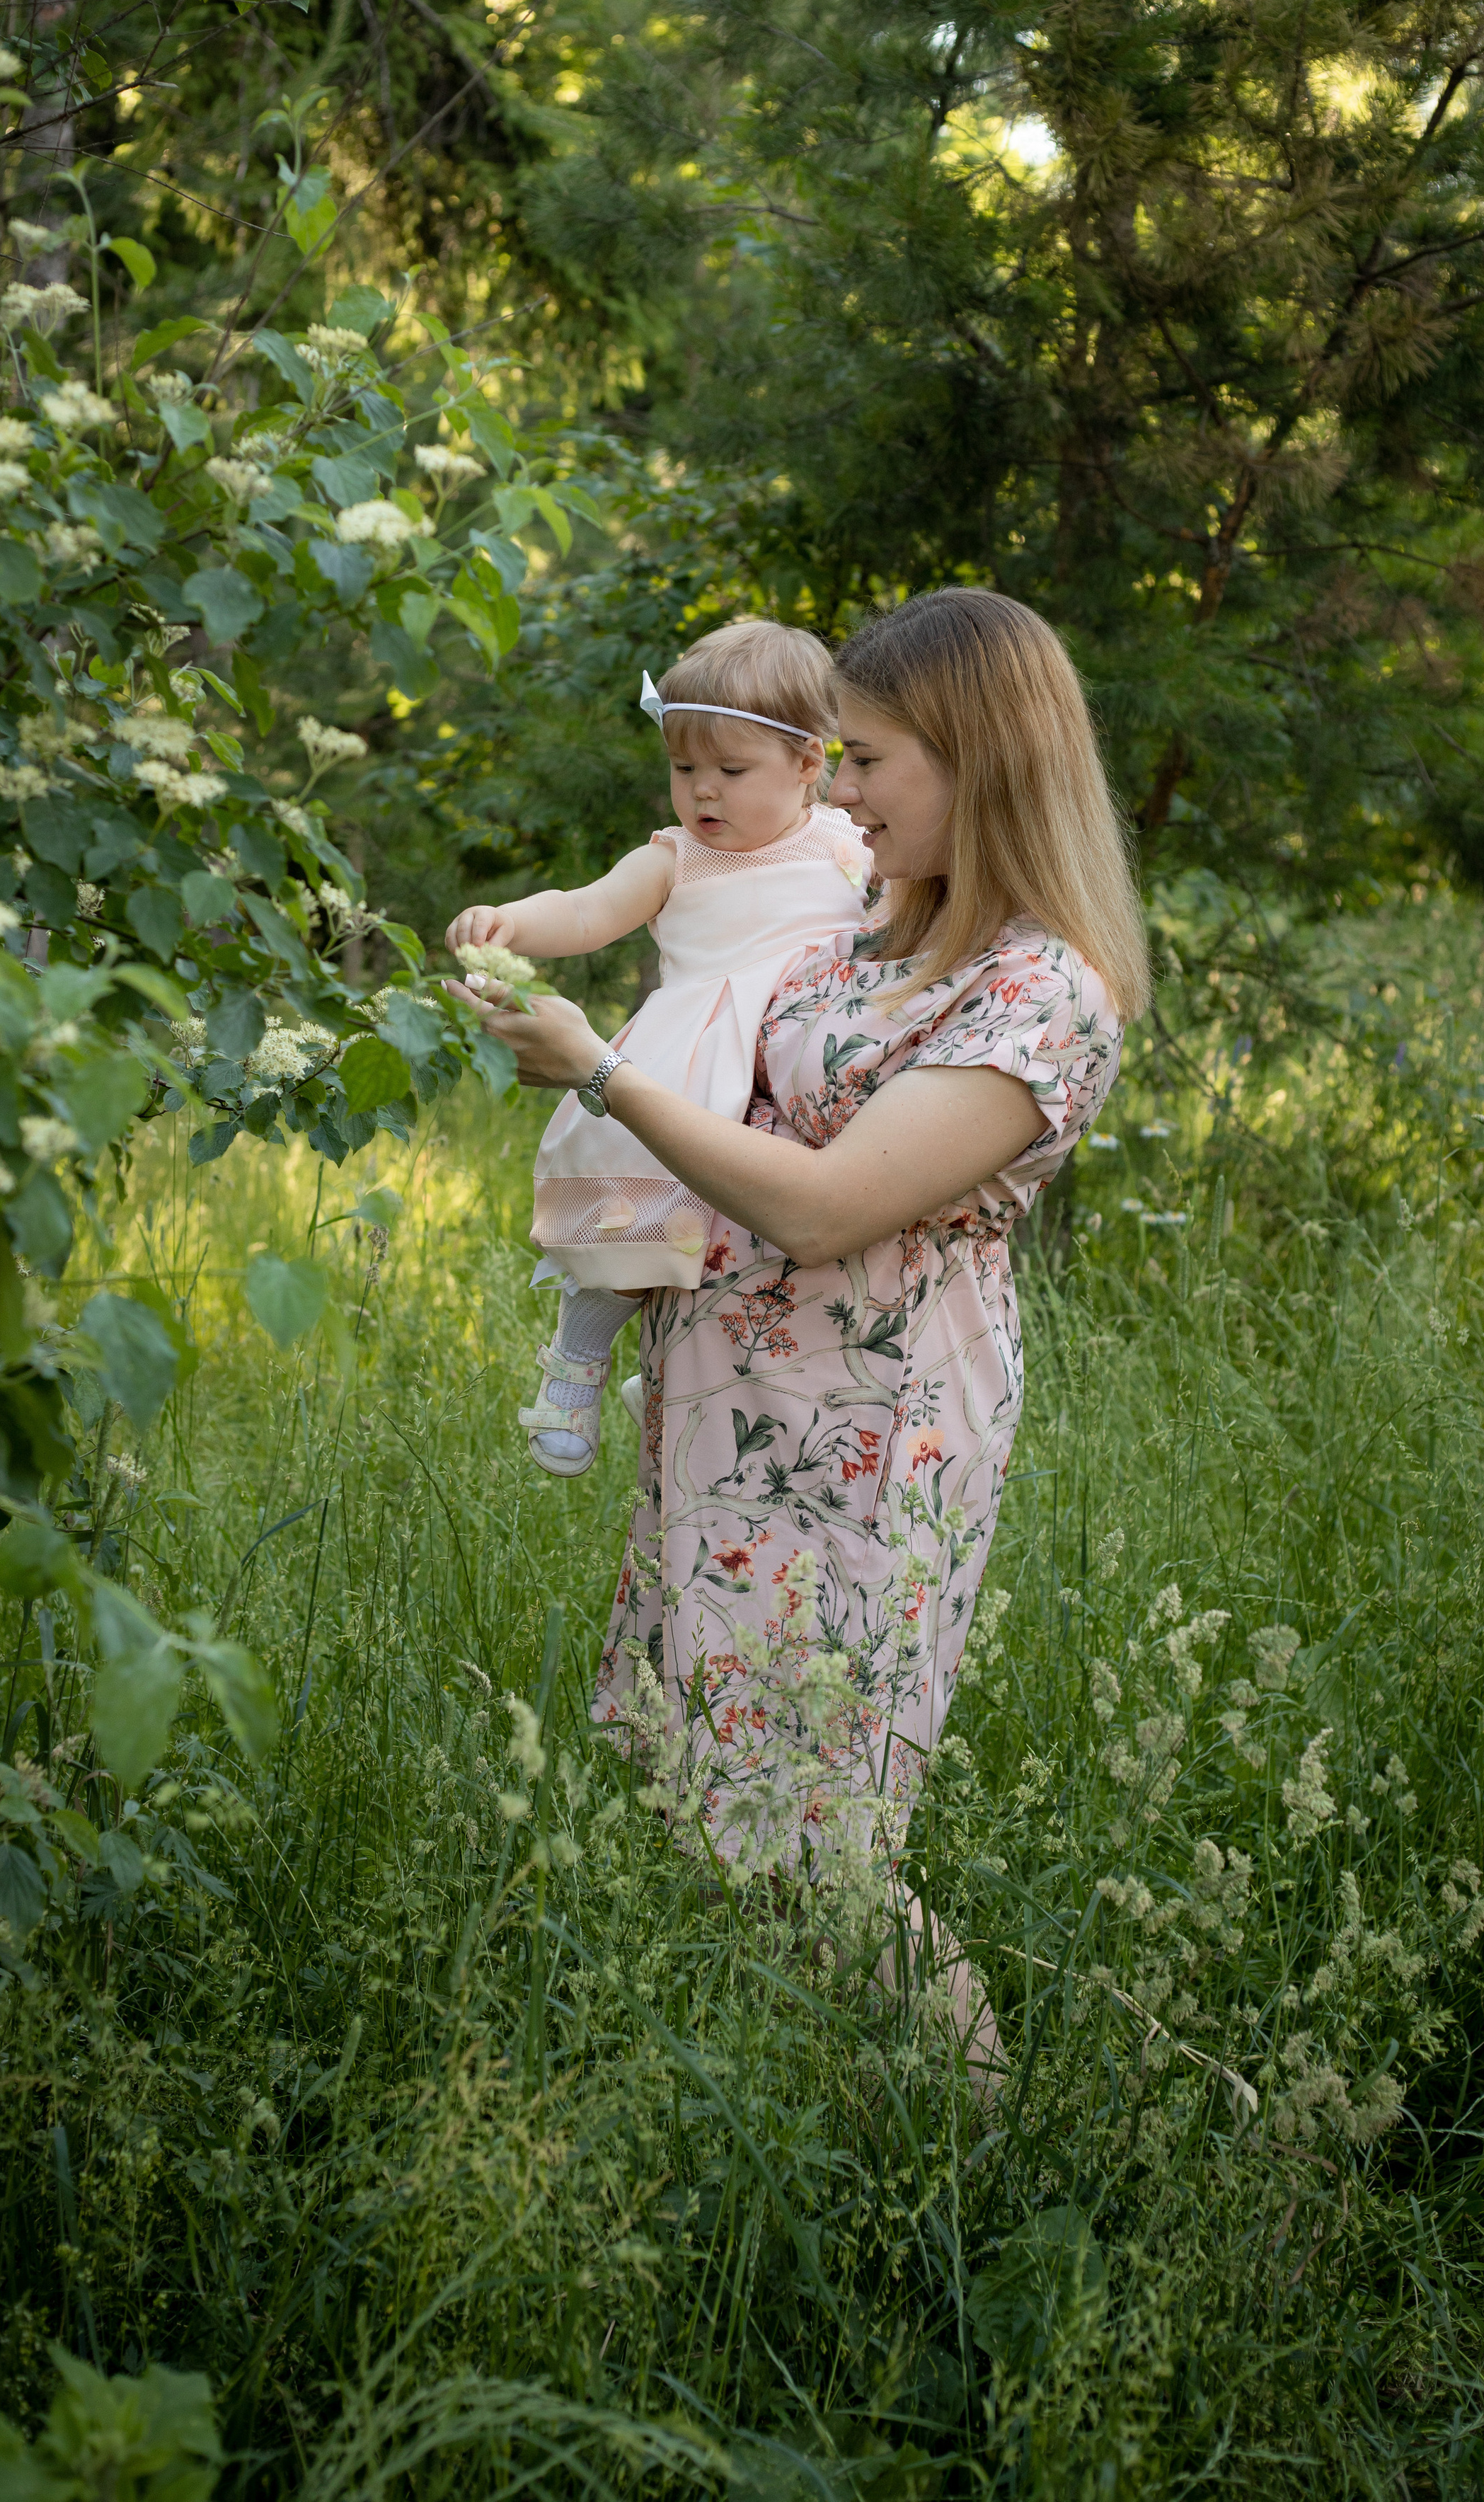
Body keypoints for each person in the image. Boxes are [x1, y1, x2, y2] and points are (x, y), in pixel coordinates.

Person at [455, 588, 1150, 2079]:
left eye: (870, 761)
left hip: (862, 1438)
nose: (834, 790)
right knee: (707, 1797)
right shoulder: (858, 930)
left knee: (824, 1837)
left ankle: (977, 2140)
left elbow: (833, 1206)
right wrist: (608, 1061)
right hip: (722, 1413)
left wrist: (602, 1081)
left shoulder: (1043, 995)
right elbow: (722, 1070)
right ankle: (800, 2116)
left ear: (983, 763)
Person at [445, 620, 870, 1476]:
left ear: (807, 764)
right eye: (683, 771)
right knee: (640, 1225)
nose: (702, 793)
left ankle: (678, 1375)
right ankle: (577, 1356)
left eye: (730, 771)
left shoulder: (847, 845)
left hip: (794, 1069)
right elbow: (587, 910)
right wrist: (510, 923)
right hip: (688, 1061)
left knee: (748, 1243)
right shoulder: (677, 859)